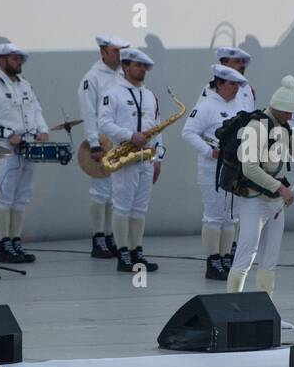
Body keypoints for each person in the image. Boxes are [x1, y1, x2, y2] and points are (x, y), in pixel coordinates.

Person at [226, 76, 294, 296]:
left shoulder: (284, 126)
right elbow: (249, 168)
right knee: (245, 256)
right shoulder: (256, 127)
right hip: (253, 200)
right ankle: (232, 308)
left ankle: (267, 311)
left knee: (270, 259)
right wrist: (281, 188)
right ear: (276, 107)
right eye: (287, 112)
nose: (291, 116)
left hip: (274, 203)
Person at [0, 41, 50, 264]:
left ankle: (15, 240)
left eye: (20, 58)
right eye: (14, 58)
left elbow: (35, 109)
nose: (19, 62)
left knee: (22, 196)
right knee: (5, 196)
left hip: (28, 146)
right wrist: (8, 133)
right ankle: (4, 243)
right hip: (6, 147)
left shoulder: (25, 85)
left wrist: (43, 129)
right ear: (1, 60)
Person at [97, 47, 165, 273]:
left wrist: (159, 157)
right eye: (137, 65)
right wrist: (129, 136)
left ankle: (137, 252)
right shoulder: (113, 93)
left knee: (140, 209)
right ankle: (123, 253)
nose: (142, 70)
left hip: (146, 158)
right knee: (122, 207)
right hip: (125, 156)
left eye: (144, 66)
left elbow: (158, 128)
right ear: (125, 66)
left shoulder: (150, 95)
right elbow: (104, 124)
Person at [181, 64, 249, 280]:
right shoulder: (206, 106)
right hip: (212, 169)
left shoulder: (241, 105)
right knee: (213, 216)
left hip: (234, 168)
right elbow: (188, 132)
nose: (236, 88)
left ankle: (226, 257)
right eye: (231, 84)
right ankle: (213, 262)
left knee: (231, 216)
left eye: (238, 84)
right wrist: (209, 151)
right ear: (219, 83)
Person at [79, 34, 131, 259]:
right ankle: (98, 236)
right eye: (115, 51)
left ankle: (110, 235)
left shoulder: (124, 75)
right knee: (100, 191)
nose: (120, 55)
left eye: (122, 51)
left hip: (121, 141)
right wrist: (94, 143)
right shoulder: (93, 78)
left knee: (115, 192)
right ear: (103, 52)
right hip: (103, 141)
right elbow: (88, 112)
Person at [200, 46, 257, 112]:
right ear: (225, 64)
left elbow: (254, 115)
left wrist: (264, 121)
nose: (242, 65)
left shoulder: (247, 87)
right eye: (237, 61)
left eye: (243, 62)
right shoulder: (212, 89)